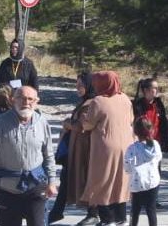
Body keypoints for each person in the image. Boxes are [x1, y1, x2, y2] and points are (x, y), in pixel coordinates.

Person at [0, 85, 57, 226]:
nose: (26, 102)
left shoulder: (42, 123)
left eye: (30, 99)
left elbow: (49, 156)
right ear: (12, 100)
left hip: (36, 186)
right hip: (7, 189)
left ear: (37, 101)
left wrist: (52, 182)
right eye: (21, 98)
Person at [76, 71, 133, 226]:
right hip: (126, 146)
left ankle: (107, 219)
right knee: (119, 182)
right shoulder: (125, 99)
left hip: (105, 147)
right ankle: (121, 218)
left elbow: (88, 124)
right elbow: (131, 119)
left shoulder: (98, 101)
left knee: (101, 182)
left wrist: (82, 118)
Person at [48, 73, 96, 225]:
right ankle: (57, 211)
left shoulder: (91, 103)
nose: (78, 88)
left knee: (85, 180)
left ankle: (94, 213)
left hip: (83, 150)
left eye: (81, 85)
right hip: (75, 149)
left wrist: (67, 124)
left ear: (88, 85)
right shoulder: (84, 101)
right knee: (66, 178)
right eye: (77, 85)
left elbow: (82, 126)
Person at [124, 118, 162, 226]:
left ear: (135, 132)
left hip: (137, 183)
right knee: (151, 210)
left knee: (135, 210)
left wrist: (130, 171)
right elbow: (158, 159)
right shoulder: (155, 145)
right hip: (152, 182)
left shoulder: (132, 148)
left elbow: (127, 166)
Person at [131, 78, 168, 152]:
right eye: (154, 88)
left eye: (157, 88)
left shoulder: (159, 104)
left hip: (157, 143)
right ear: (146, 90)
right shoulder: (137, 105)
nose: (157, 90)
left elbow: (163, 123)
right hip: (142, 144)